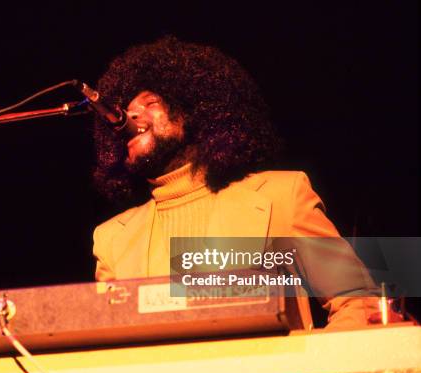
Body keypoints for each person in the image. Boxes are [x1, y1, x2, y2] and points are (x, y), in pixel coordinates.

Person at [90, 36, 379, 330]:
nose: (132, 114)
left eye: (150, 102)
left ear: (194, 110)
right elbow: (110, 343)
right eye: (127, 107)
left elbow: (358, 301)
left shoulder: (282, 198)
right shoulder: (112, 239)